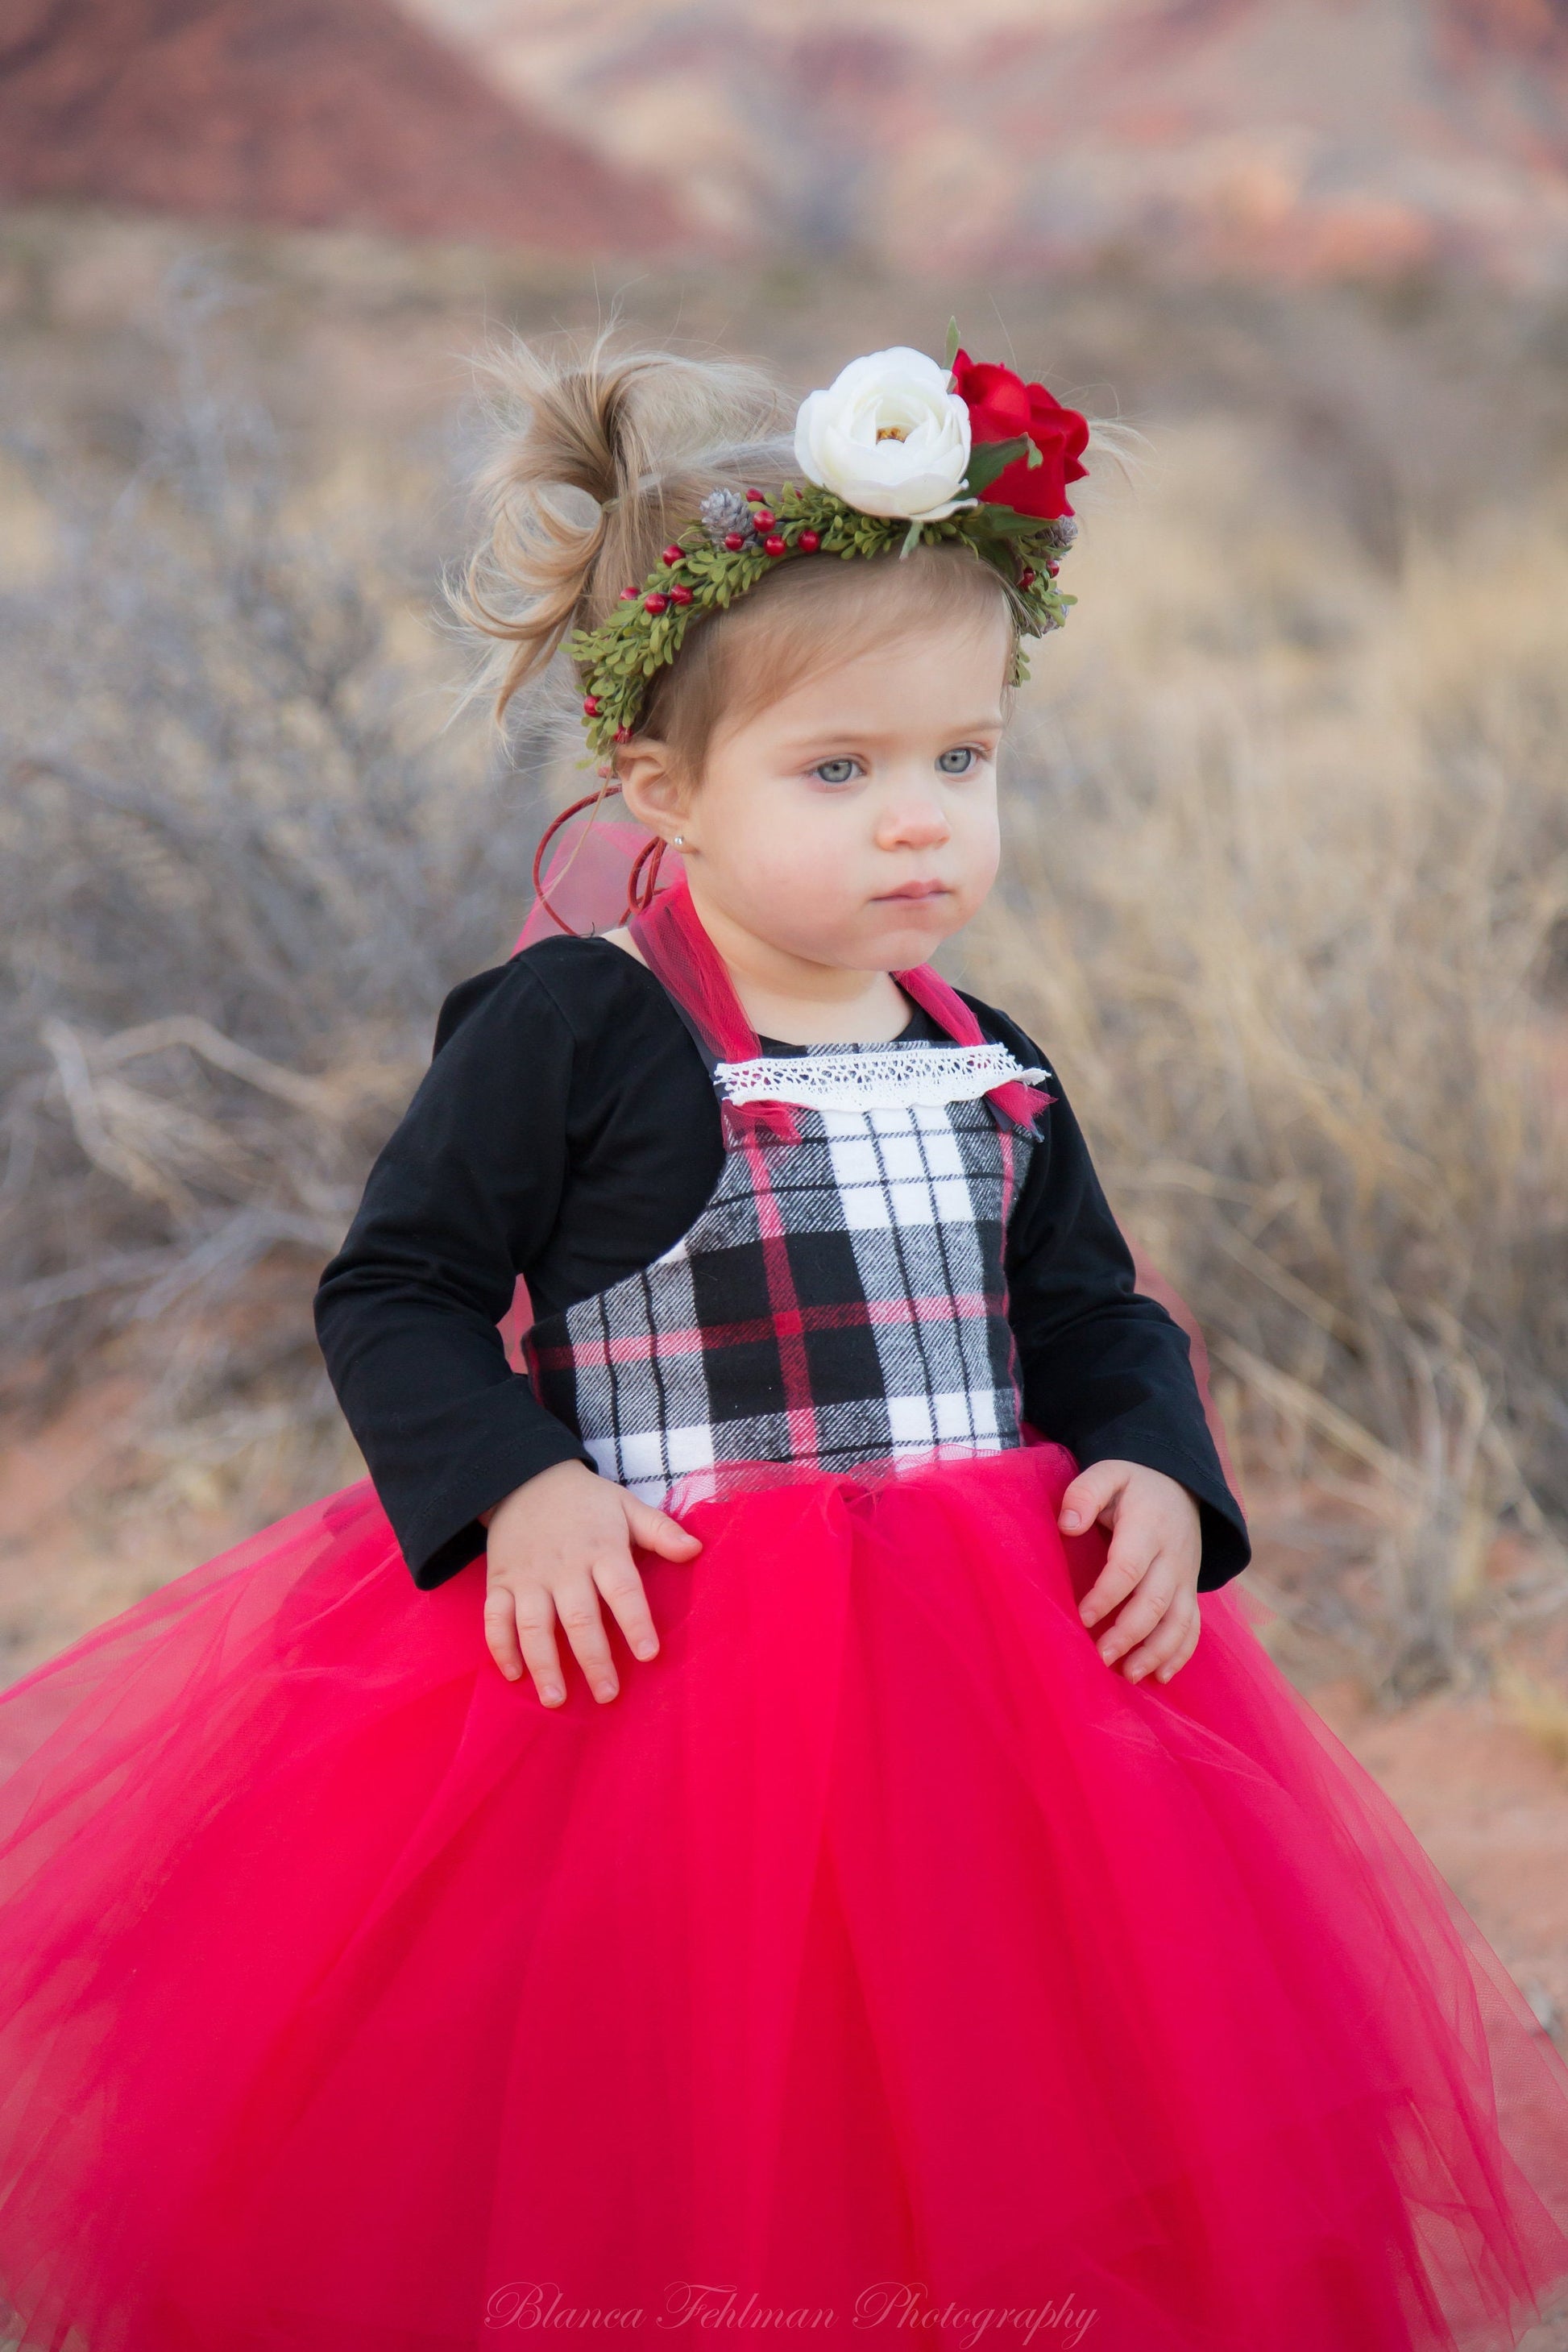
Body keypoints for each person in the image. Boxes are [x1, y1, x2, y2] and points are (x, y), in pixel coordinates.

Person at [0, 330, 1565, 2352]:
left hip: (990, 1699)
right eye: (840, 771)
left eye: (962, 760)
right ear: (664, 784)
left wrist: (1159, 1465)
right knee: (674, 2084)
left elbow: (1089, 1306)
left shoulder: (982, 1055)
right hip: (650, 1676)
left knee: (995, 2071)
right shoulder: (580, 1026)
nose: (919, 822)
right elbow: (392, 1286)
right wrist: (517, 1486)